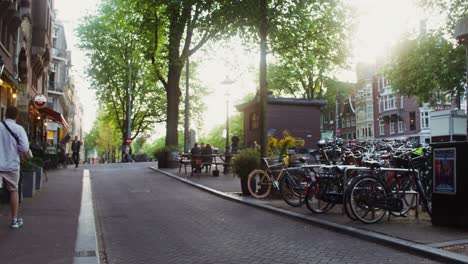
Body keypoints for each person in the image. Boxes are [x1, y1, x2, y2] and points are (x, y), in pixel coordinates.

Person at [0, 106, 29, 229]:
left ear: (5, 114)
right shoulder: (19, 129)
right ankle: (14, 220)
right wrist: (15, 149)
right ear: (16, 116)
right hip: (12, 165)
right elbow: (25, 148)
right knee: (13, 191)